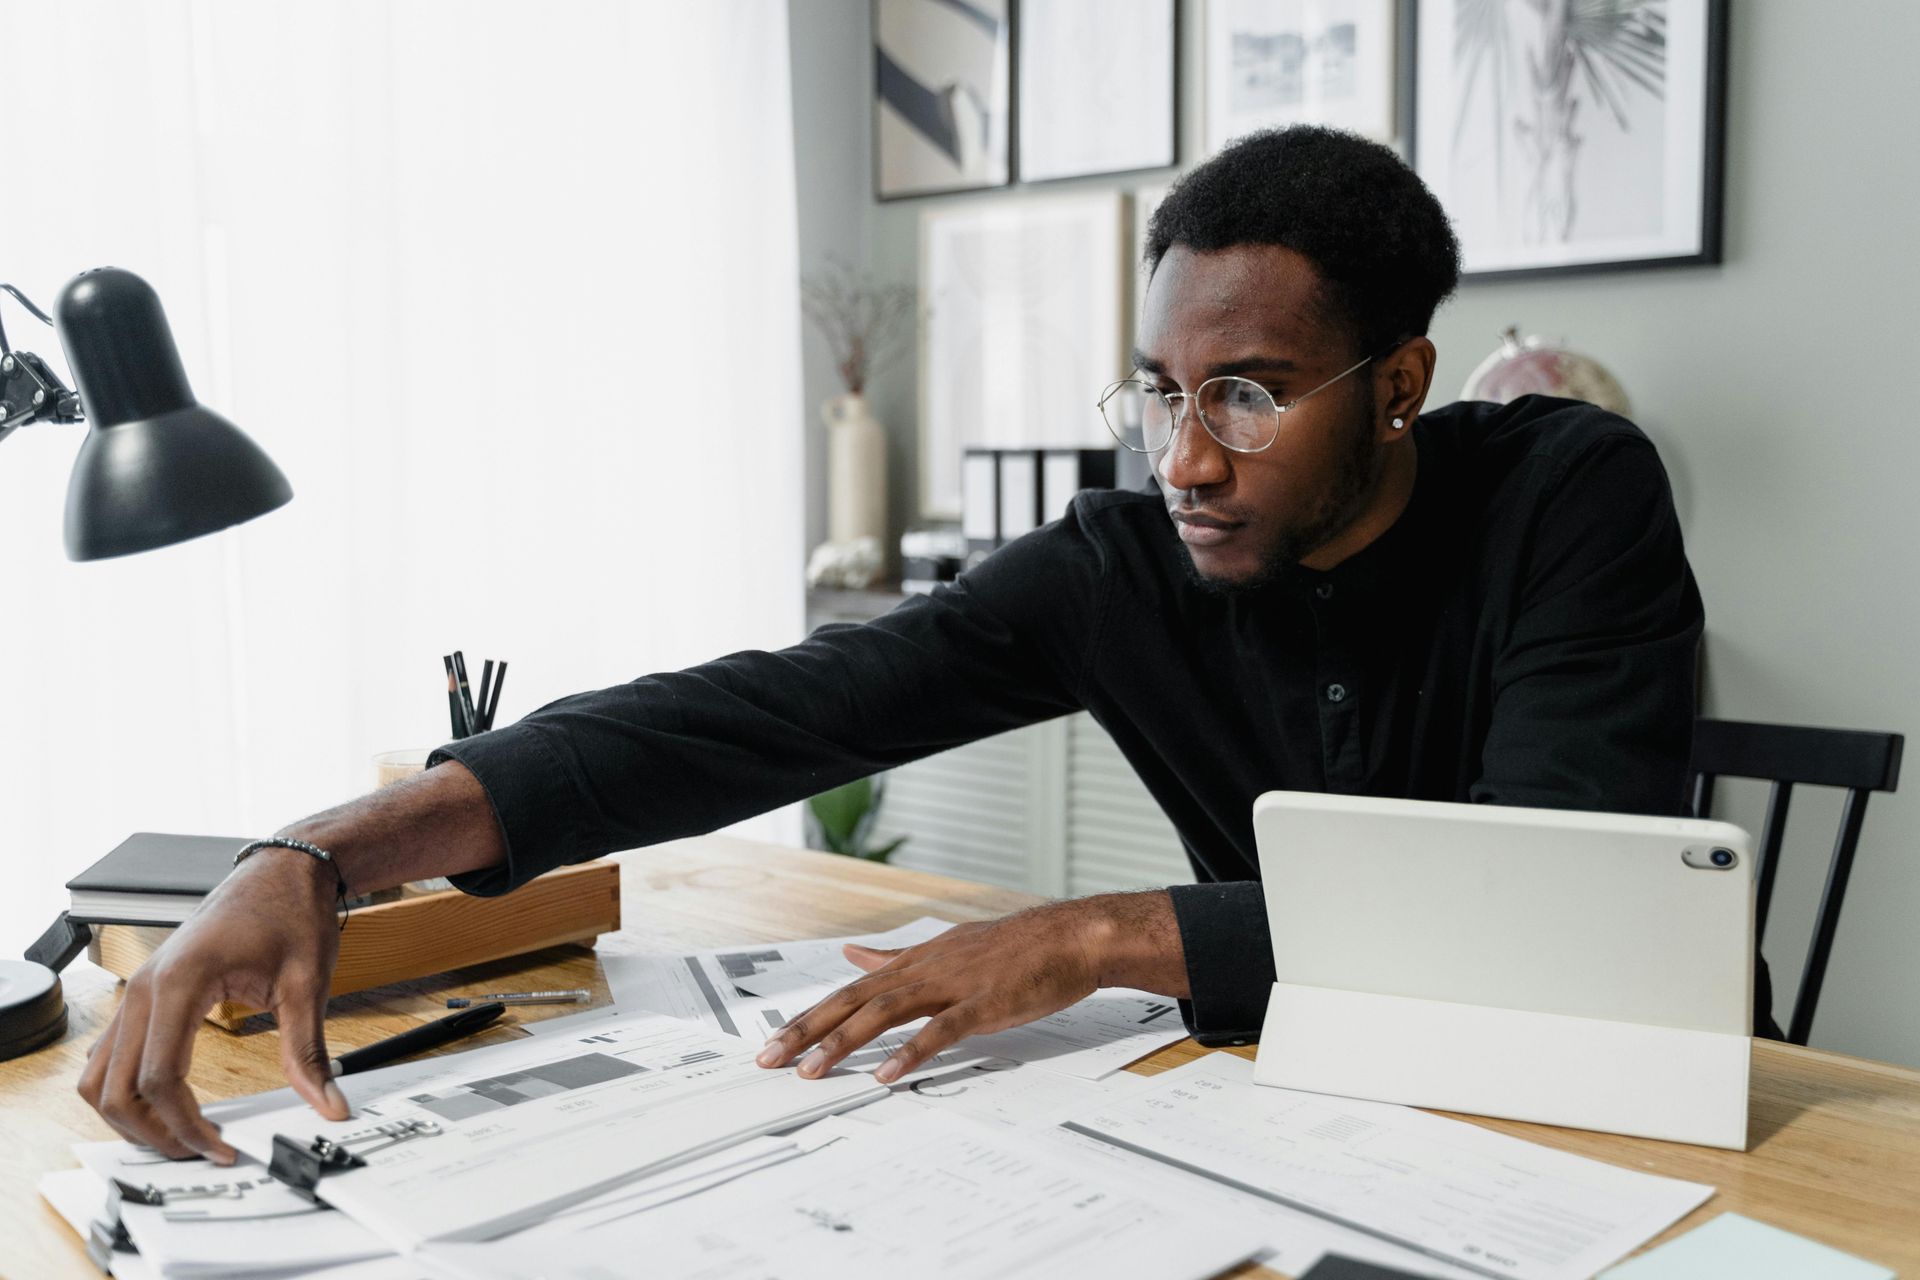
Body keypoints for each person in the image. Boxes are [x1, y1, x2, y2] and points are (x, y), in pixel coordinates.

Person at [79, 125, 1726, 1167]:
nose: (1186, 459)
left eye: (1245, 394)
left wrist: (1085, 937)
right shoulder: (1123, 560)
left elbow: (1539, 887)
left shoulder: (1571, 489)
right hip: (1327, 1105)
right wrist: (315, 853)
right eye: (1161, 392)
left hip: (1624, 1096)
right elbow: (779, 714)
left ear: (1399, 384)